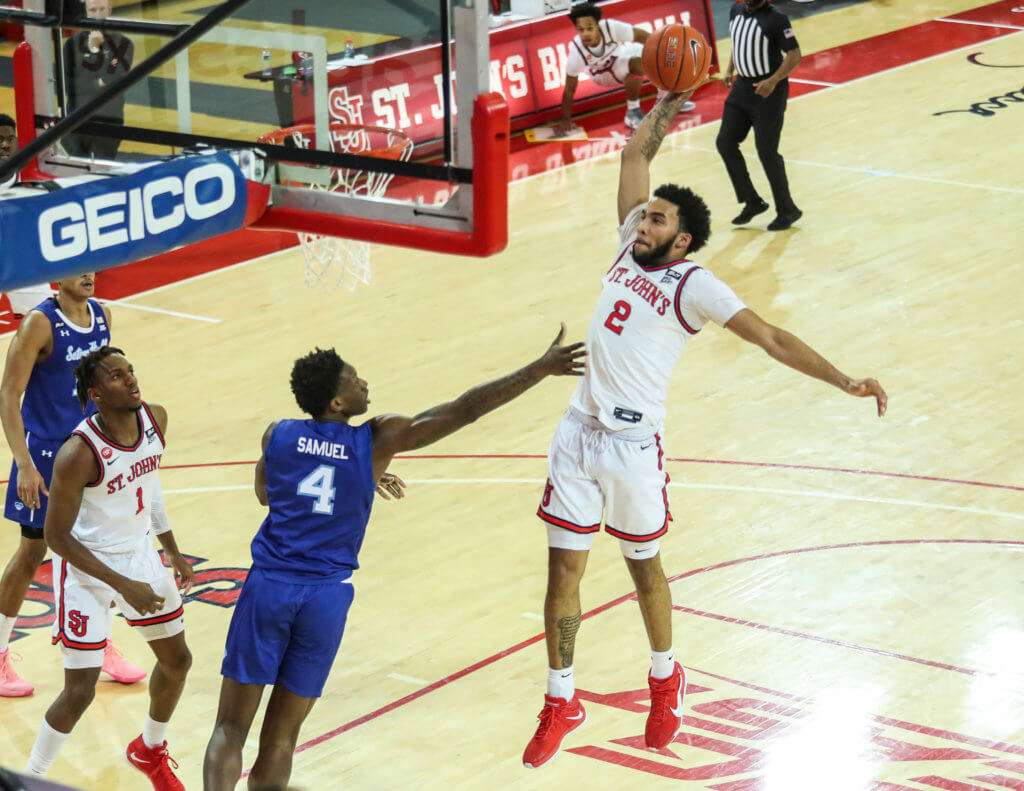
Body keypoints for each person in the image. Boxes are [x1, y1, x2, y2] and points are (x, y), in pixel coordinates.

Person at [522, 90, 887, 768]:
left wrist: (844, 380)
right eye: (644, 214)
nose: (642, 221)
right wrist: (671, 96)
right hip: (577, 433)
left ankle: (665, 679)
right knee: (562, 571)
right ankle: (560, 698)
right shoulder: (627, 247)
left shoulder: (695, 285)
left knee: (644, 570)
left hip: (632, 447)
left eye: (656, 218)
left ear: (682, 238)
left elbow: (772, 338)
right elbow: (634, 153)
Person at [203, 328, 587, 791]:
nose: (364, 382)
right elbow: (463, 410)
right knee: (281, 740)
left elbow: (266, 493)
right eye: (353, 380)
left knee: (230, 728)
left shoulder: (277, 434)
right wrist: (537, 370)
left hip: (270, 588)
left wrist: (353, 480)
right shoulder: (375, 440)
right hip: (324, 600)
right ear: (337, 403)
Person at [24, 346, 194, 791]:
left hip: (138, 553)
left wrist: (171, 549)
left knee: (177, 661)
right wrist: (124, 586)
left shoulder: (155, 419)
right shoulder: (78, 453)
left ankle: (149, 749)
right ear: (96, 394)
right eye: (117, 376)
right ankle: (27, 780)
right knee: (80, 691)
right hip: (85, 566)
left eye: (130, 370)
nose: (131, 379)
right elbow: (56, 537)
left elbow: (149, 483)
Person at [0, 276, 147, 697]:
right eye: (79, 269)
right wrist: (24, 464)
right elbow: (9, 395)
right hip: (46, 454)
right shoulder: (39, 323)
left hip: (89, 452)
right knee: (32, 552)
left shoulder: (103, 316)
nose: (88, 275)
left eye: (92, 269)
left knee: (98, 547)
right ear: (59, 274)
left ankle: (98, 644)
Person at [716, 0, 803, 231]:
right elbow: (739, 43)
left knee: (766, 151)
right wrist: (730, 69)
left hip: (769, 92)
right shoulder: (735, 10)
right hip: (741, 88)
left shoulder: (776, 18)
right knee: (725, 142)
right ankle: (752, 201)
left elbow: (795, 55)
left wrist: (773, 81)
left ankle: (788, 210)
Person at [554, 2, 693, 136]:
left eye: (589, 28)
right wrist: (566, 120)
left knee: (654, 50)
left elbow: (641, 35)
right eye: (581, 30)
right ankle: (633, 111)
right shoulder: (577, 52)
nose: (586, 34)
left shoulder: (610, 27)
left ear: (598, 25)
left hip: (620, 55)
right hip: (602, 74)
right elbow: (569, 89)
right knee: (638, 65)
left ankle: (668, 99)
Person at [61, 0, 133, 159]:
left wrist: (95, 49)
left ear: (109, 11)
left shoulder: (123, 44)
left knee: (101, 170)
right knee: (68, 167)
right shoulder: (72, 44)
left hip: (107, 122)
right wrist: (97, 83)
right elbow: (68, 86)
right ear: (85, 13)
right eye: (93, 10)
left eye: (102, 9)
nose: (98, 15)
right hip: (75, 122)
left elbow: (110, 77)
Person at [0, 112, 56, 315]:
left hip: (17, 254)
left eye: (10, 139)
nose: (5, 145)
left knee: (47, 317)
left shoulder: (15, 167)